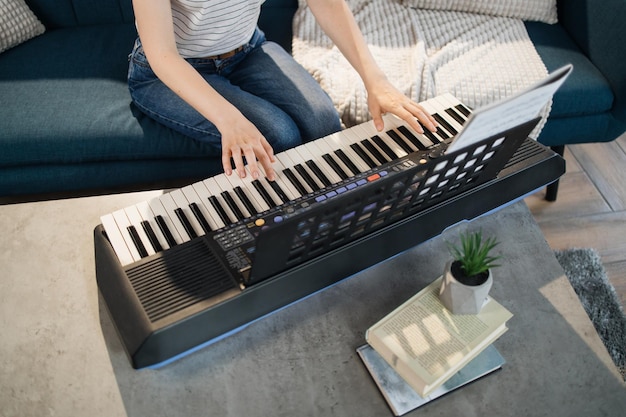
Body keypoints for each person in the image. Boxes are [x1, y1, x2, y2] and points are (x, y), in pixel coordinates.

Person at [129, 0, 437, 182]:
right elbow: (163, 56)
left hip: (248, 49)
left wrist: (376, 81)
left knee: (324, 125)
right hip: (168, 72)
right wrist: (230, 120)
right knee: (280, 135)